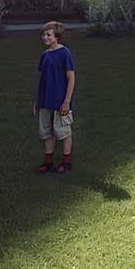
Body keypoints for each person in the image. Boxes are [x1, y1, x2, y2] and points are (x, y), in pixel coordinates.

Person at [35, 21, 76, 173]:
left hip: (60, 101)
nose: (45, 37)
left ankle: (66, 162)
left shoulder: (65, 53)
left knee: (63, 131)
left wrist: (67, 101)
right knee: (46, 132)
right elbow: (42, 80)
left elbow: (71, 78)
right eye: (43, 35)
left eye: (48, 35)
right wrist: (37, 100)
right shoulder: (44, 55)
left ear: (57, 36)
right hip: (45, 101)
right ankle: (49, 162)